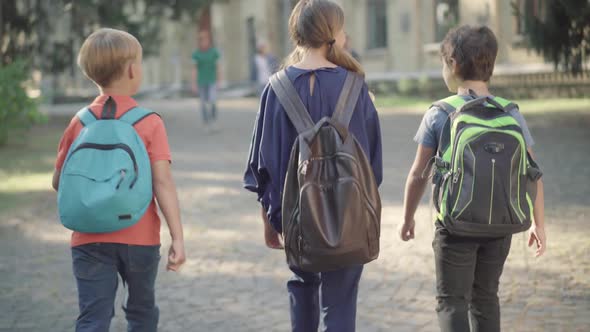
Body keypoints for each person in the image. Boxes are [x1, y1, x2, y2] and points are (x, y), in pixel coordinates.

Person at [243, 1, 382, 331]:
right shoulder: (354, 86)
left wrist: (270, 220)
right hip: (348, 214)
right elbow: (372, 165)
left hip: (296, 217)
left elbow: (264, 166)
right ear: (334, 34)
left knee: (303, 288)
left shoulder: (276, 88)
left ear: (298, 34)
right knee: (341, 303)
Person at [399, 25, 546, 332]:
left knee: (452, 300)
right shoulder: (511, 113)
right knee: (486, 297)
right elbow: (533, 173)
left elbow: (418, 175)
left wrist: (408, 218)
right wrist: (538, 224)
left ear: (452, 64)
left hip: (455, 227)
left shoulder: (440, 113)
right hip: (501, 226)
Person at [52, 28, 186, 332]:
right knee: (141, 312)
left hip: (88, 238)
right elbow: (162, 183)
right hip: (139, 236)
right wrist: (177, 237)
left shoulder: (80, 122)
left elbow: (59, 181)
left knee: (93, 317)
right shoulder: (149, 122)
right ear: (132, 70)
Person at [192, 30, 221, 128]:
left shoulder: (214, 52)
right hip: (201, 81)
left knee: (213, 101)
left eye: (205, 40)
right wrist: (194, 84)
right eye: (202, 40)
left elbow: (217, 67)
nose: (204, 42)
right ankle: (205, 122)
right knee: (203, 103)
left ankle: (213, 120)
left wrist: (219, 80)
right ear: (199, 42)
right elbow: (195, 69)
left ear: (208, 41)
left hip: (212, 80)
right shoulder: (196, 54)